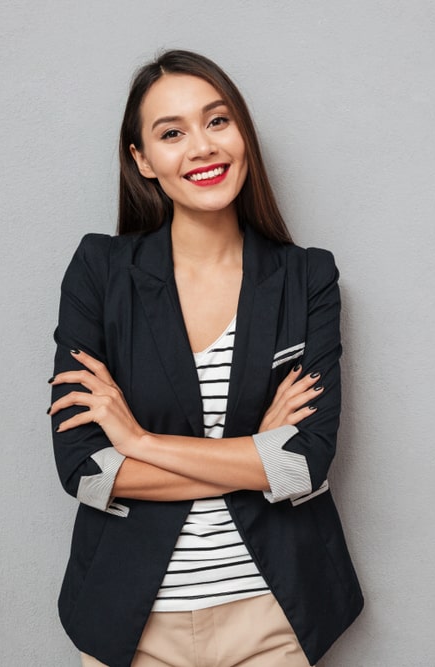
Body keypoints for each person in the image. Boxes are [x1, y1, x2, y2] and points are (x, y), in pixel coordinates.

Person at [48, 50, 363, 667]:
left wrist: (138, 441)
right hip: (132, 622)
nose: (201, 147)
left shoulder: (307, 278)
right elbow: (84, 469)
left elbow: (305, 464)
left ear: (241, 133)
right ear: (142, 160)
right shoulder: (99, 273)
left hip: (274, 616)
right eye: (171, 133)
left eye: (217, 121)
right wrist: (256, 453)